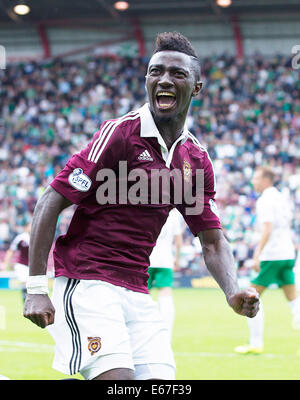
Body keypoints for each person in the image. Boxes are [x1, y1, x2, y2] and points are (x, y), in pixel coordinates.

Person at [23, 31, 259, 381]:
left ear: (196, 88)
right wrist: (37, 289)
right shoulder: (120, 134)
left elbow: (211, 240)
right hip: (88, 283)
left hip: (137, 290)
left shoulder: (194, 160)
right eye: (155, 71)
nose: (164, 79)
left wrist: (232, 289)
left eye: (177, 74)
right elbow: (50, 201)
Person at [235, 166, 300, 355]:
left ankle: (255, 343)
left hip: (272, 255)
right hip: (287, 253)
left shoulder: (265, 200)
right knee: (293, 298)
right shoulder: (281, 197)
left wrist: (257, 254)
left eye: (255, 178)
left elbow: (267, 229)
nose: (252, 181)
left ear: (265, 180)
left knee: (251, 298)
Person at [148, 208, 183, 342]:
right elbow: (178, 241)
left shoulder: (150, 208)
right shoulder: (174, 215)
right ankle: (166, 334)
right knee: (166, 293)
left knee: (143, 294)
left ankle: (146, 329)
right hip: (166, 259)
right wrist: (177, 259)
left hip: (147, 258)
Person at [2, 222, 31, 302]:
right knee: (25, 284)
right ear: (26, 227)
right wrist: (5, 263)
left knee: (31, 285)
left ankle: (28, 301)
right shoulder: (21, 238)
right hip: (22, 265)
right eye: (30, 226)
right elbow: (11, 251)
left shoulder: (36, 237)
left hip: (32, 266)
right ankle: (25, 301)